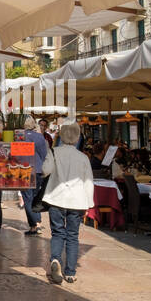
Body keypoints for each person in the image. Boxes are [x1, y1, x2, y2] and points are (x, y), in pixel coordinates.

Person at [40, 122, 94, 285]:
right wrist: (88, 203)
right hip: (77, 202)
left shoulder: (54, 152)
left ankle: (56, 259)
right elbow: (88, 181)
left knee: (57, 233)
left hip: (56, 199)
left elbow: (44, 171)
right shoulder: (83, 158)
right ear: (77, 138)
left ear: (61, 136)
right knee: (72, 236)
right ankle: (70, 272)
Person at [20, 116, 49, 235]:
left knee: (27, 198)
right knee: (35, 196)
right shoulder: (39, 137)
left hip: (23, 170)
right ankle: (38, 222)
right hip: (37, 170)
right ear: (33, 125)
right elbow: (44, 154)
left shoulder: (19, 136)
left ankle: (33, 225)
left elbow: (16, 154)